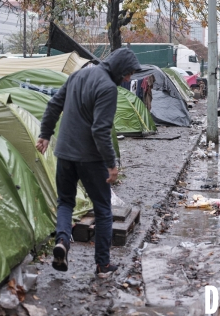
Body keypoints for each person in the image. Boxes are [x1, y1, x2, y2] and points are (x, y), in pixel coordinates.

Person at [36, 48, 142, 277]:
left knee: (65, 202)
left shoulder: (78, 75)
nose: (128, 79)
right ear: (118, 69)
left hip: (64, 152)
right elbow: (100, 130)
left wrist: (44, 134)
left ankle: (63, 240)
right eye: (127, 73)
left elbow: (54, 104)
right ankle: (103, 265)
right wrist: (111, 163)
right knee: (103, 210)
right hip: (90, 158)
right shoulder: (107, 88)